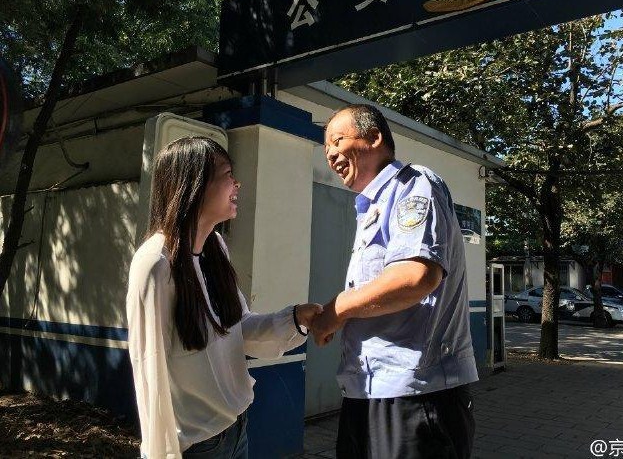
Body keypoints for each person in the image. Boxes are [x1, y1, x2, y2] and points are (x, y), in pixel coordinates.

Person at [127, 136, 321, 459]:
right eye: (228, 174)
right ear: (195, 185)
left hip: (236, 431)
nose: (237, 184)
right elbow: (149, 369)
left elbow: (239, 330)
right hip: (196, 447)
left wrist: (296, 319)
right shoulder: (154, 264)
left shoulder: (216, 248)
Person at [311, 104, 478, 459]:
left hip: (415, 393)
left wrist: (337, 309)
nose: (330, 154)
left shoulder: (414, 185)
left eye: (337, 140)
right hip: (368, 390)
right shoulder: (372, 206)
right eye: (325, 147)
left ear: (374, 138)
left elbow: (416, 276)